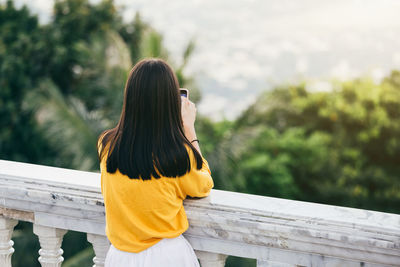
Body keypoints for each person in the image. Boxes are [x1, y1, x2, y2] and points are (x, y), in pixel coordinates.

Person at [97, 58, 214, 266]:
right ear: (170, 103)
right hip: (167, 257)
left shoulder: (107, 146)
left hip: (120, 258)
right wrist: (189, 129)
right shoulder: (179, 156)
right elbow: (204, 184)